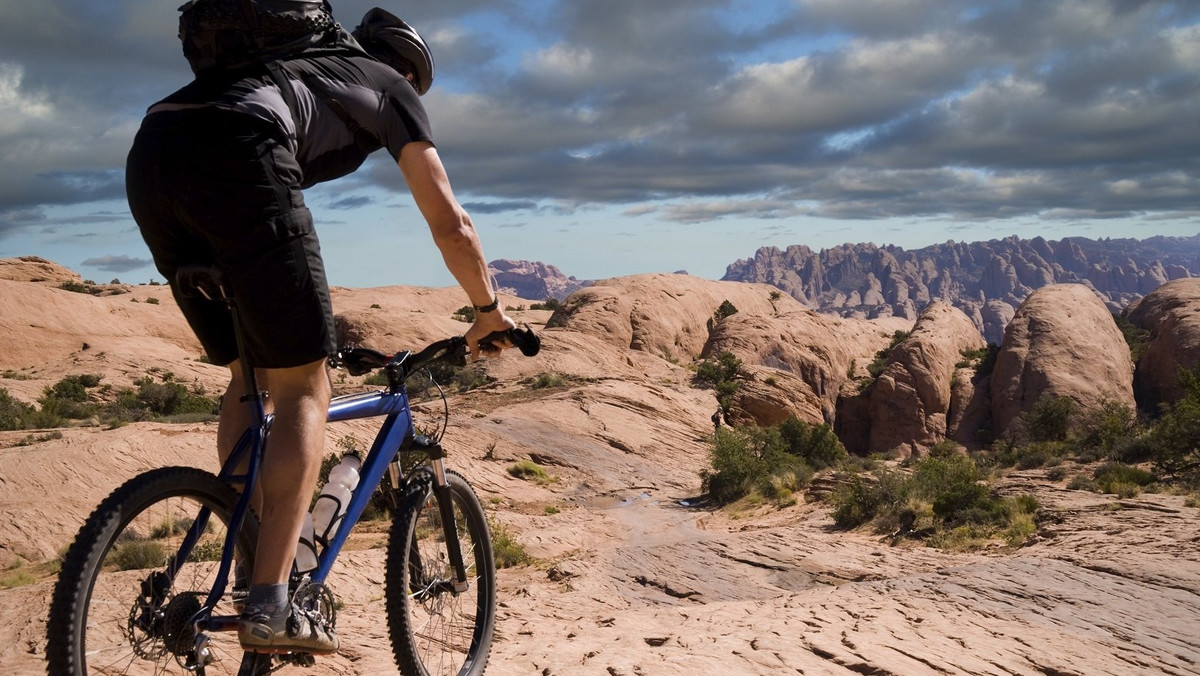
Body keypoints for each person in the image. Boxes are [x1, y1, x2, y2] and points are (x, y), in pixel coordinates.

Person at [125, 4, 516, 654]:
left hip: (155, 154)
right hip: (239, 151)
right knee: (306, 387)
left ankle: (253, 545)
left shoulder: (288, 65)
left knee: (248, 380)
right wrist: (486, 310)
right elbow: (451, 223)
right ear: (410, 69)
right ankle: (271, 603)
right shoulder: (388, 86)